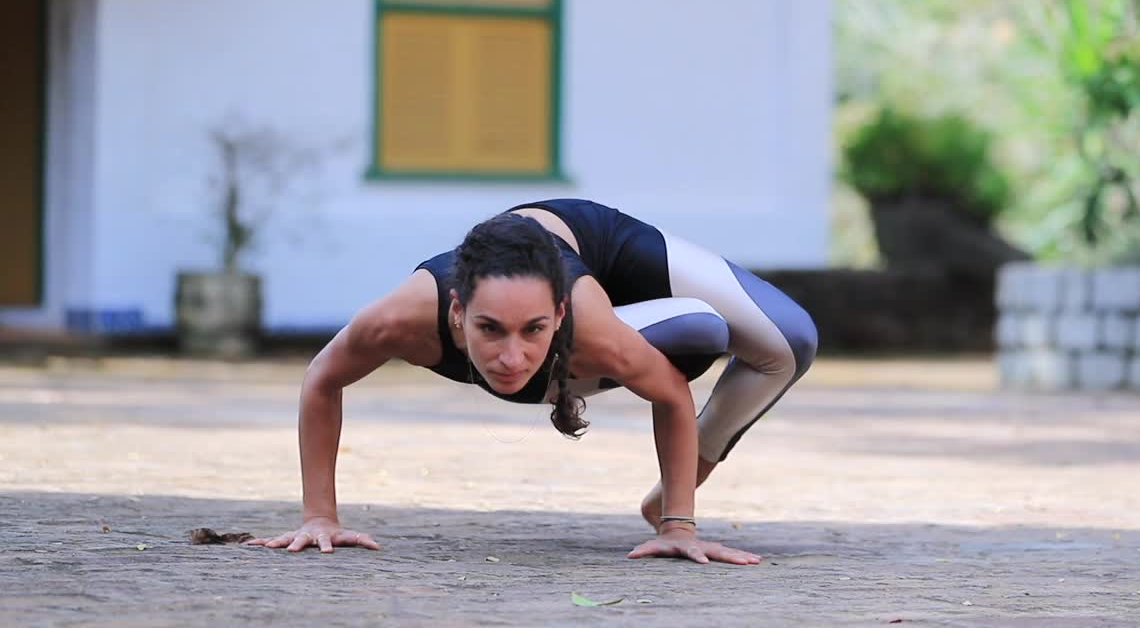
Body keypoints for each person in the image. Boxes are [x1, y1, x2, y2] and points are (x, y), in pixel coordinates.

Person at [248, 199, 818, 565]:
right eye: (489, 330)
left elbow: (670, 391)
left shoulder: (592, 324)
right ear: (455, 313)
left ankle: (670, 494)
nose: (511, 356)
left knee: (788, 341)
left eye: (533, 331)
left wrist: (679, 525)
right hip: (560, 314)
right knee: (699, 325)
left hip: (594, 240)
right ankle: (672, 491)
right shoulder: (397, 321)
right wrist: (319, 515)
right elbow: (322, 377)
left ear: (561, 316)